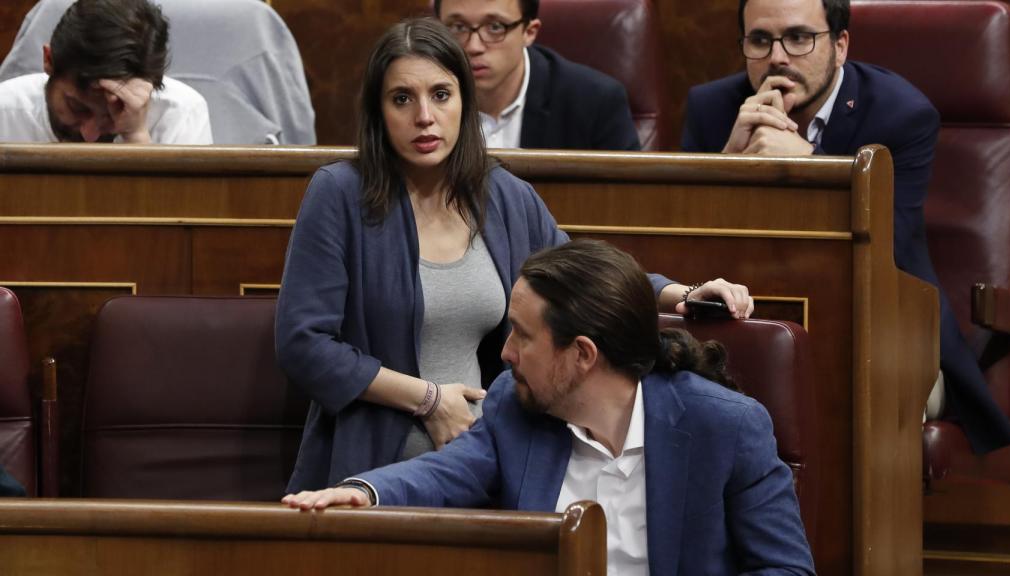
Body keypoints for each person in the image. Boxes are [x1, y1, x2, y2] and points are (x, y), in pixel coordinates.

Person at [276, 18, 752, 494]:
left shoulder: (501, 195)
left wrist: (682, 294)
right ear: (379, 111)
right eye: (402, 98)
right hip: (374, 466)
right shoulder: (339, 194)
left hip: (485, 459)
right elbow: (304, 343)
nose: (424, 116)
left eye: (441, 94)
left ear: (465, 101)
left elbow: (582, 276)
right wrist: (428, 399)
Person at [283, 239, 812, 576]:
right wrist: (361, 493)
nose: (505, 353)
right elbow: (439, 475)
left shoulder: (726, 426)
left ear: (582, 355)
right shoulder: (516, 405)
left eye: (521, 336)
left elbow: (785, 569)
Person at [679, 0, 1010, 455]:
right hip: (753, 326)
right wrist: (725, 169)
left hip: (883, 333)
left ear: (840, 46)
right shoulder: (713, 108)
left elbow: (891, 248)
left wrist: (812, 168)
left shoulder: (901, 114)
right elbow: (683, 250)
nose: (778, 57)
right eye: (760, 40)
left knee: (819, 391)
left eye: (799, 38)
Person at [433, 0, 640, 150]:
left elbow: (627, 204)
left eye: (495, 27)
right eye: (457, 27)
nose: (473, 46)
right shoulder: (418, 99)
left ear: (529, 32)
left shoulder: (595, 103)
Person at [0, 0, 212, 144]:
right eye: (77, 107)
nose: (89, 135)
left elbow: (177, 211)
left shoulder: (182, 114)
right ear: (49, 60)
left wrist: (136, 137)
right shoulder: (5, 109)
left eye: (113, 113)